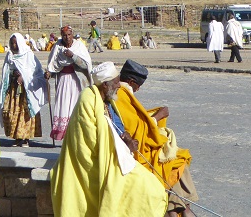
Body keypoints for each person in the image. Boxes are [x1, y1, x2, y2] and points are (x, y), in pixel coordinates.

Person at [50, 62, 168, 217]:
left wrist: (126, 138)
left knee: (155, 187)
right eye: (117, 82)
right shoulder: (88, 99)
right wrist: (124, 146)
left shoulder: (108, 101)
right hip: (96, 163)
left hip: (116, 157)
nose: (119, 85)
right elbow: (91, 142)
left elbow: (116, 128)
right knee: (148, 190)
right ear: (105, 85)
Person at [118, 60, 198, 216]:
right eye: (137, 86)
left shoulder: (123, 93)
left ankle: (179, 209)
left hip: (137, 145)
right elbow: (135, 130)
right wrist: (158, 116)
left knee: (178, 160)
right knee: (175, 161)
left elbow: (135, 122)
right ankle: (179, 210)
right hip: (136, 151)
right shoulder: (121, 94)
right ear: (130, 81)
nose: (138, 89)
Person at [44, 26, 92, 141]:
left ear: (72, 35)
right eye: (64, 35)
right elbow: (53, 65)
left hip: (76, 81)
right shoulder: (57, 47)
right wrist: (49, 74)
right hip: (63, 81)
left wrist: (73, 56)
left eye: (69, 35)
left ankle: (76, 134)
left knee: (76, 106)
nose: (67, 37)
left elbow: (86, 65)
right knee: (63, 105)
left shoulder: (79, 46)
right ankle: (64, 135)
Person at [0, 33, 46, 146]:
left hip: (26, 91)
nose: (13, 46)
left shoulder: (28, 55)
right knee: (12, 112)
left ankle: (25, 138)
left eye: (15, 43)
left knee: (25, 114)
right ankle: (17, 137)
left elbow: (37, 72)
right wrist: (13, 73)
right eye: (11, 43)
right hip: (13, 90)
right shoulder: (9, 56)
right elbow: (5, 71)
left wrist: (24, 76)